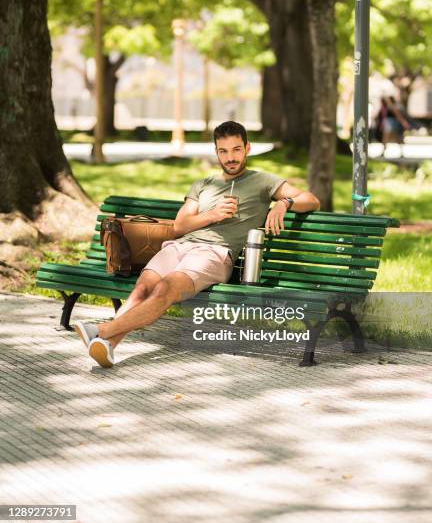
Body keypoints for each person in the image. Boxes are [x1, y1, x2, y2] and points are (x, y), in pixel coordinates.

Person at [75, 121, 320, 368]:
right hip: (180, 246)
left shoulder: (263, 181)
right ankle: (107, 345)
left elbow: (311, 200)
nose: (230, 158)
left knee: (165, 288)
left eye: (236, 150)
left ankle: (100, 329)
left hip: (214, 254)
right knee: (142, 288)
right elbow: (180, 226)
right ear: (216, 152)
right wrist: (212, 214)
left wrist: (283, 203)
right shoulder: (204, 185)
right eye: (223, 151)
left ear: (247, 148)